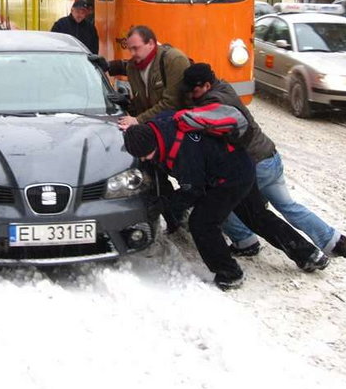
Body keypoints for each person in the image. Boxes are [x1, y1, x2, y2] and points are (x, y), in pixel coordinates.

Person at [123, 112, 329, 290]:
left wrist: (165, 205)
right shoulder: (158, 125)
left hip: (229, 178)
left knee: (202, 223)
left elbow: (194, 191)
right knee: (257, 216)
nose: (145, 160)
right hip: (239, 164)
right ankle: (308, 254)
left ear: (151, 145)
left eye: (146, 155)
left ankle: (230, 274)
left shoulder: (183, 152)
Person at [181, 63, 346, 259]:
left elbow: (196, 121)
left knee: (224, 203)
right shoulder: (224, 87)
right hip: (270, 156)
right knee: (288, 206)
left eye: (194, 90)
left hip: (255, 164)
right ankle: (334, 240)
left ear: (205, 85)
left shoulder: (214, 102)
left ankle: (245, 240)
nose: (191, 96)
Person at [108, 25, 191, 232]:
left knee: (191, 180)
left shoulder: (173, 60)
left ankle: (224, 227)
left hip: (180, 132)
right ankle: (175, 217)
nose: (132, 54)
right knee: (157, 177)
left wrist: (138, 119)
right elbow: (140, 99)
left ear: (152, 43)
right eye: (130, 49)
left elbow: (172, 103)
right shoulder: (134, 67)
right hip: (155, 130)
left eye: (136, 48)